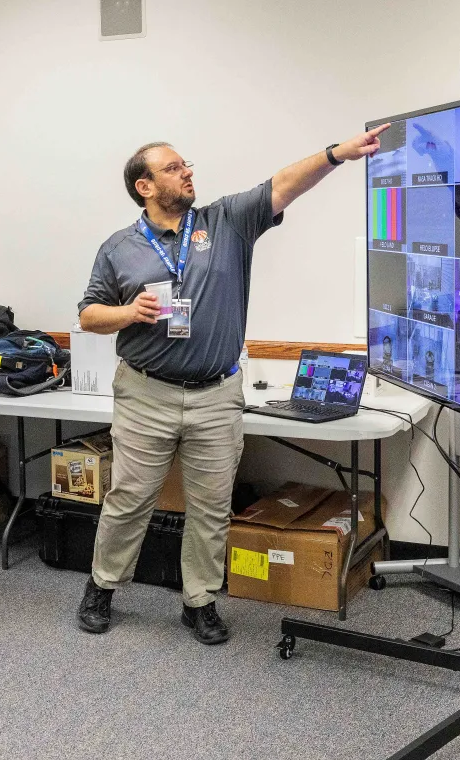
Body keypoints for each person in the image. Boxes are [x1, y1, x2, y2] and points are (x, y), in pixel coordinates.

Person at [76, 128, 387, 644]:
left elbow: (282, 184)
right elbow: (89, 314)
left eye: (186, 164)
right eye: (174, 168)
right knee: (128, 499)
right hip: (145, 393)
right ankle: (102, 586)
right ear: (145, 186)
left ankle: (199, 600)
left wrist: (337, 155)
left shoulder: (226, 221)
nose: (188, 172)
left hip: (216, 394)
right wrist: (129, 312)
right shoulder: (119, 248)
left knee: (211, 504)